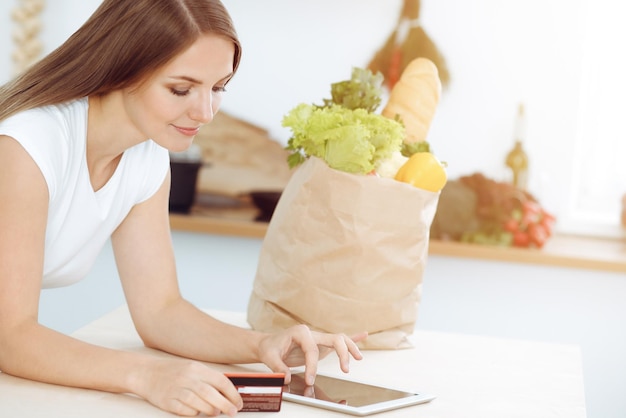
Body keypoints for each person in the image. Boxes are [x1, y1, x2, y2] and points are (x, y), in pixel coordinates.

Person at [0, 0, 366, 416]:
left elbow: (160, 311)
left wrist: (262, 343)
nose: (205, 111)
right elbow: (10, 336)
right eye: (181, 89)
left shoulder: (145, 154)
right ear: (122, 67)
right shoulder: (26, 146)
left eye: (218, 87)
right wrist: (147, 376)